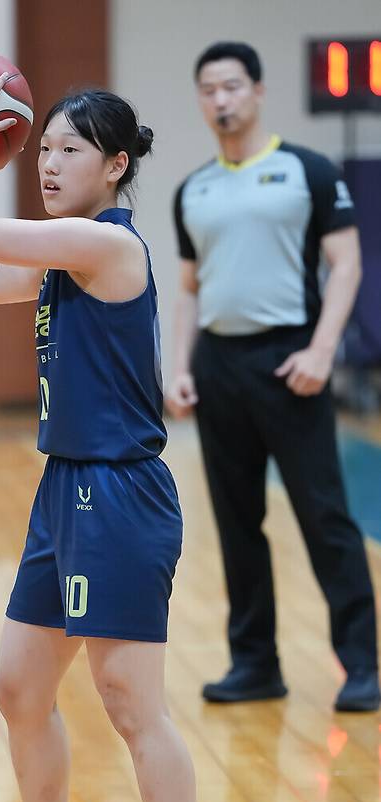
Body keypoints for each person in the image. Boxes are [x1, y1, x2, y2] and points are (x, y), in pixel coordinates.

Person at [0, 60, 224, 802]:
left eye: (70, 150)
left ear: (116, 165)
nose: (51, 164)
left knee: (132, 703)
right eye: (44, 148)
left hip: (121, 495)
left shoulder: (107, 246)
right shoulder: (65, 254)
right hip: (63, 490)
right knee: (19, 688)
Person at [167, 41, 380, 713]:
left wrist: (322, 351)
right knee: (237, 522)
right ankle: (255, 664)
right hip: (219, 365)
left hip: (291, 362)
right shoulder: (192, 190)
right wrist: (179, 367)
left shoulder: (307, 171)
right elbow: (190, 289)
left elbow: (347, 265)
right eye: (209, 89)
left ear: (257, 92)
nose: (221, 100)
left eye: (232, 86)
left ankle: (362, 666)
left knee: (325, 516)